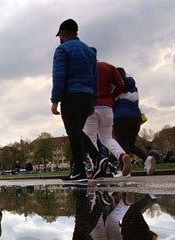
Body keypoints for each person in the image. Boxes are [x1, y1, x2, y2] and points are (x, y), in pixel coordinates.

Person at [50, 19, 108, 182]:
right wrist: (93, 101)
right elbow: (95, 78)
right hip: (87, 96)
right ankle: (96, 158)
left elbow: (59, 75)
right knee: (77, 132)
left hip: (71, 96)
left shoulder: (62, 50)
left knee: (73, 132)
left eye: (59, 35)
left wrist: (55, 100)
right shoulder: (89, 51)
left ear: (62, 33)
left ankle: (80, 170)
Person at [83, 48, 131, 178]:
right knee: (107, 138)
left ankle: (96, 166)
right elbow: (120, 84)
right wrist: (111, 96)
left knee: (90, 138)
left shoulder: (86, 69)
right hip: (107, 106)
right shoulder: (109, 67)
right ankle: (121, 155)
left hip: (90, 106)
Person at [113, 68, 155, 176]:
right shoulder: (134, 88)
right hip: (136, 119)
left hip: (120, 118)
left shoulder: (116, 87)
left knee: (122, 146)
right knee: (131, 145)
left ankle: (125, 171)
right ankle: (147, 159)